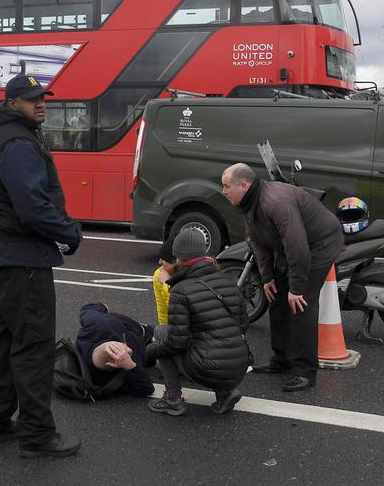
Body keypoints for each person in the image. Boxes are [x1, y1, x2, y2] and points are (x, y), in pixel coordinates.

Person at [0, 73, 83, 459]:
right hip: (25, 262)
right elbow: (32, 207)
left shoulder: (1, 136)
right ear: (11, 103)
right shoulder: (19, 143)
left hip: (4, 260)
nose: (41, 104)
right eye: (31, 99)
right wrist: (70, 232)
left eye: (42, 98)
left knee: (4, 346)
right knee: (34, 349)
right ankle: (37, 435)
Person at [221, 162, 343, 392]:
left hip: (319, 244)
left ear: (244, 185)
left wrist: (296, 289)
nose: (223, 191)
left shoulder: (276, 203)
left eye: (226, 186)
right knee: (276, 296)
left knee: (301, 305)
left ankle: (305, 371)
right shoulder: (249, 202)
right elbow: (257, 242)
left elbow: (298, 250)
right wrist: (268, 278)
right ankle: (282, 358)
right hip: (290, 247)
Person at [145, 228, 248, 416]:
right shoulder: (227, 280)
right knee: (214, 338)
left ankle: (173, 399)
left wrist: (149, 352)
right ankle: (225, 393)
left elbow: (176, 342)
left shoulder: (181, 290)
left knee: (162, 333)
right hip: (240, 365)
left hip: (208, 367)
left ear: (178, 258)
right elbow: (242, 325)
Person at [74, 303, 155, 399]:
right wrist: (130, 366)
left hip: (130, 327)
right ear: (115, 364)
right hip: (147, 339)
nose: (128, 351)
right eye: (127, 353)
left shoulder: (99, 324)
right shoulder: (111, 378)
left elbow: (88, 309)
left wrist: (103, 306)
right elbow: (146, 389)